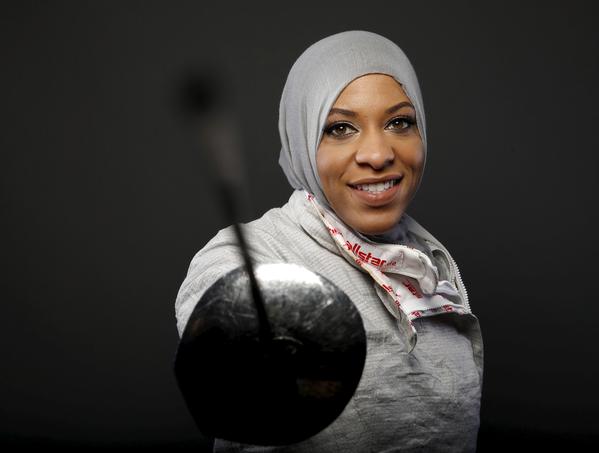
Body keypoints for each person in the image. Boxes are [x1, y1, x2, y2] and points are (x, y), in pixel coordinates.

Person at [175, 30, 483, 452]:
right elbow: (216, 319)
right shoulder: (255, 252)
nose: (377, 154)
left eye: (399, 122)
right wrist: (250, 333)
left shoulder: (429, 263)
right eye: (340, 128)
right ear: (302, 140)